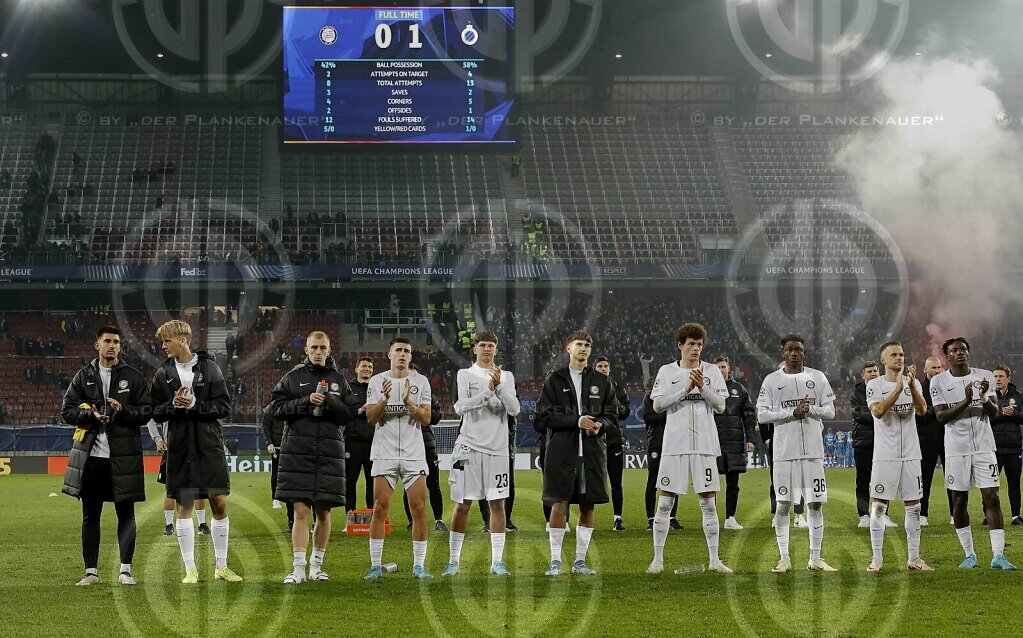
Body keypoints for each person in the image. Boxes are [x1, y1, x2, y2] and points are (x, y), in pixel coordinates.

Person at [151, 320, 241, 584]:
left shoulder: (209, 368)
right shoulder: (162, 373)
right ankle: (190, 569)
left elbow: (224, 407)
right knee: (185, 506)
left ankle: (221, 567)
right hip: (179, 447)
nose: (163, 346)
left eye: (167, 341)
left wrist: (195, 404)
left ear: (183, 340)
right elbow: (153, 411)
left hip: (208, 445)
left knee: (219, 503)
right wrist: (172, 404)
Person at [60, 325, 150, 586]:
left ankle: (125, 571)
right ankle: (91, 572)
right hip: (92, 458)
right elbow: (66, 411)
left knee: (126, 514)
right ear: (96, 345)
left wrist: (122, 412)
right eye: (107, 341)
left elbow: (146, 411)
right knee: (91, 515)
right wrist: (91, 415)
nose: (113, 345)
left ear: (121, 347)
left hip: (123, 458)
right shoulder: (83, 376)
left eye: (117, 342)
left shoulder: (133, 377)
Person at [267, 331, 354, 584]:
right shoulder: (292, 378)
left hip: (329, 454)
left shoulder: (339, 380)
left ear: (329, 351)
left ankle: (317, 567)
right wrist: (306, 401)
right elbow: (275, 409)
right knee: (301, 512)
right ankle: (298, 570)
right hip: (298, 453)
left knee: (324, 513)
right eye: (314, 347)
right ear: (306, 349)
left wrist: (329, 402)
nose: (318, 352)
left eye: (323, 348)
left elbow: (349, 415)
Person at [648, 323, 732, 574]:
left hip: (705, 446)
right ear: (680, 345)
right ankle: (657, 560)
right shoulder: (666, 371)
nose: (696, 349)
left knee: (708, 503)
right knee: (664, 503)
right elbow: (657, 405)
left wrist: (702, 388)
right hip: (675, 446)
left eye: (699, 345)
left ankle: (715, 561)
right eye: (691, 344)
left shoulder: (712, 372)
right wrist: (685, 390)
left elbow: (720, 406)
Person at [534, 330, 618, 577]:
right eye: (579, 344)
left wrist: (601, 424)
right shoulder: (555, 379)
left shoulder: (602, 381)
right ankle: (556, 561)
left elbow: (612, 416)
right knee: (559, 504)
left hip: (591, 453)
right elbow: (545, 417)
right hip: (561, 452)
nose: (584, 348)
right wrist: (576, 420)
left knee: (587, 506)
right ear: (567, 348)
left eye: (587, 345)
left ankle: (580, 561)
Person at [931, 337, 1015, 570]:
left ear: (969, 353)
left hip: (984, 447)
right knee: (959, 500)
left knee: (993, 497)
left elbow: (995, 413)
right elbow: (941, 417)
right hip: (956, 450)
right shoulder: (938, 381)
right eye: (954, 351)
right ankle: (970, 555)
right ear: (947, 356)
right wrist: (967, 400)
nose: (960, 353)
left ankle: (998, 555)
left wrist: (985, 397)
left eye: (964, 350)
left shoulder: (985, 375)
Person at [757, 334, 838, 573]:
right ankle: (784, 558)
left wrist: (809, 409)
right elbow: (762, 416)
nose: (794, 353)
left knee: (815, 505)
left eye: (799, 349)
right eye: (790, 349)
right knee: (783, 505)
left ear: (804, 352)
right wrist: (791, 413)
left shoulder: (818, 377)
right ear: (783, 352)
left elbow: (831, 412)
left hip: (812, 452)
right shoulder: (772, 380)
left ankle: (816, 558)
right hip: (783, 453)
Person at [444, 331, 520, 576]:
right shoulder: (465, 374)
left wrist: (498, 388)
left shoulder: (506, 376)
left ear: (496, 350)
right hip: (470, 448)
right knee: (463, 505)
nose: (487, 349)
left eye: (491, 345)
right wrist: (487, 392)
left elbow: (515, 409)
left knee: (498, 505)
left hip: (497, 450)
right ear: (475, 349)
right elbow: (460, 407)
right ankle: (453, 561)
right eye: (483, 345)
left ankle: (497, 562)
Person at [363, 338, 434, 580]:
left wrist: (407, 402)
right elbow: (371, 418)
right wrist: (384, 399)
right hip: (385, 452)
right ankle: (375, 565)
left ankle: (419, 566)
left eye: (407, 351)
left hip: (414, 454)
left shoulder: (420, 382)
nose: (403, 354)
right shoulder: (376, 381)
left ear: (411, 357)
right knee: (380, 508)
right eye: (398, 350)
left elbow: (426, 418)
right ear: (389, 355)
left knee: (419, 509)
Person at [865, 342, 932, 572]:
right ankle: (877, 558)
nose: (899, 358)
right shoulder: (874, 384)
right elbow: (878, 412)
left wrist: (911, 386)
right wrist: (897, 389)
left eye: (902, 354)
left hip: (912, 454)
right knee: (879, 508)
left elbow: (923, 410)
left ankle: (914, 558)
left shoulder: (912, 383)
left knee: (913, 507)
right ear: (883, 360)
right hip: (885, 455)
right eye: (894, 354)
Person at [713, 355, 757, 531]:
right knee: (711, 484)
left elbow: (749, 417)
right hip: (713, 443)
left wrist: (751, 439)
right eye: (717, 367)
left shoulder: (739, 390)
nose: (721, 370)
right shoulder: (707, 389)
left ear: (729, 369)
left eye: (723, 367)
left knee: (733, 484)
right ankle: (711, 518)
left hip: (734, 443)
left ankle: (730, 518)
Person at [401, 362, 446, 532]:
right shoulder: (397, 395)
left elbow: (435, 417)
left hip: (426, 444)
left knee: (433, 484)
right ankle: (412, 521)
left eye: (413, 375)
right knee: (409, 485)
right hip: (407, 445)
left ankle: (438, 519)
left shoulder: (427, 395)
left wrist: (419, 407)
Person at [852, 361, 896, 528]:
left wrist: (881, 410)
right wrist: (881, 412)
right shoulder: (857, 393)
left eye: (875, 371)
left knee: (884, 478)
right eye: (869, 371)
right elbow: (859, 415)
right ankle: (863, 515)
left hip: (884, 441)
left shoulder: (886, 387)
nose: (873, 374)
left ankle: (883, 514)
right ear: (862, 375)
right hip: (864, 441)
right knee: (863, 480)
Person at [148, 419, 211, 536]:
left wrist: (159, 440)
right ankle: (171, 525)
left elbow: (151, 421)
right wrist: (159, 440)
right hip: (175, 450)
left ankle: (174, 525)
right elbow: (151, 420)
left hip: (193, 450)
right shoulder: (171, 403)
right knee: (171, 487)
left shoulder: (166, 403)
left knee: (196, 486)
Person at [593, 356, 630, 531]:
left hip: (613, 441)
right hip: (592, 440)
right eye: (599, 366)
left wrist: (611, 398)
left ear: (610, 369)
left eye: (606, 366)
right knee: (591, 482)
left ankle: (618, 518)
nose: (603, 368)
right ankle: (587, 520)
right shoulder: (588, 389)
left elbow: (625, 412)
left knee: (616, 482)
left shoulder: (619, 390)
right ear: (594, 369)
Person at [917, 356, 952, 526]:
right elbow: (919, 415)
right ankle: (923, 513)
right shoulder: (918, 388)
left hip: (947, 437)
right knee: (925, 477)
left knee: (952, 476)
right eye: (934, 368)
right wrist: (939, 412)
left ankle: (955, 513)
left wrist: (932, 412)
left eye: (939, 367)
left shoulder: (947, 386)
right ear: (925, 370)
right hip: (926, 439)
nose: (937, 370)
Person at [639, 392, 680, 532]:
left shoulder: (676, 394)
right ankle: (651, 518)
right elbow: (648, 417)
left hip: (674, 444)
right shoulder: (651, 396)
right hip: (656, 444)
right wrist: (669, 414)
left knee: (674, 482)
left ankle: (671, 518)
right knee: (653, 481)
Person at [991, 365, 1023, 526]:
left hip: (1014, 448)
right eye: (995, 376)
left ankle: (1015, 515)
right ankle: (987, 514)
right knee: (990, 484)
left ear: (1008, 378)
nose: (997, 379)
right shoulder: (989, 396)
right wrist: (1001, 413)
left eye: (1001, 376)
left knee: (1014, 483)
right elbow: (985, 419)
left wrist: (1015, 414)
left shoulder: (1018, 396)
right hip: (994, 447)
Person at [344, 357, 375, 510]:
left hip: (374, 443)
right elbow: (343, 412)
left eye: (370, 366)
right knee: (350, 481)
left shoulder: (377, 388)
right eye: (363, 366)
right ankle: (350, 517)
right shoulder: (348, 388)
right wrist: (360, 410)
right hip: (352, 442)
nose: (367, 369)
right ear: (356, 369)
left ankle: (372, 519)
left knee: (373, 482)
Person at [260, 408, 294, 534]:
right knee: (277, 474)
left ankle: (295, 520)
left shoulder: (293, 406)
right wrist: (269, 443)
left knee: (292, 481)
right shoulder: (271, 408)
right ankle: (276, 498)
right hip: (278, 447)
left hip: (293, 447)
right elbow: (265, 426)